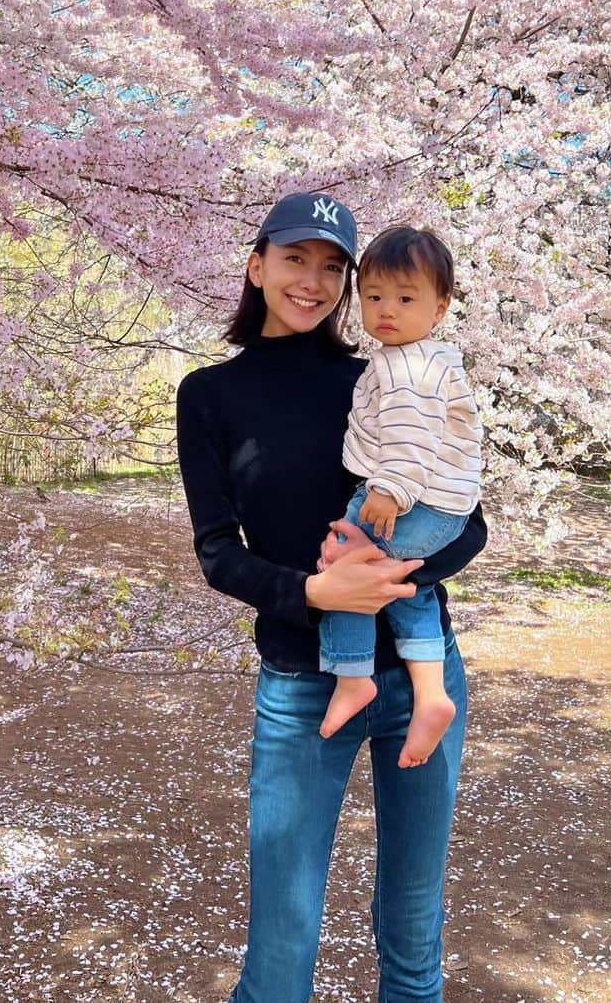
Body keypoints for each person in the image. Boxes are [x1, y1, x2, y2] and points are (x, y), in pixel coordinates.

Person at [176, 192, 487, 1003]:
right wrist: (320, 589)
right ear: (257, 265)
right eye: (294, 259)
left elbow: (468, 522)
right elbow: (217, 554)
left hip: (423, 678)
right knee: (280, 951)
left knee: (414, 937)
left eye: (332, 266)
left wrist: (395, 580)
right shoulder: (208, 395)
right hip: (301, 684)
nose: (312, 280)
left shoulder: (387, 374)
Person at [317, 226, 483, 767]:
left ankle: (352, 674)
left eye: (406, 299)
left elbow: (411, 436)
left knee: (347, 564)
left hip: (411, 497)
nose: (387, 310)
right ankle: (432, 695)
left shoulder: (408, 365)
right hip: (441, 508)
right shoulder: (421, 357)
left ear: (440, 307)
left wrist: (389, 491)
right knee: (408, 588)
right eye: (374, 297)